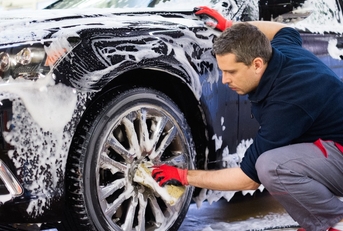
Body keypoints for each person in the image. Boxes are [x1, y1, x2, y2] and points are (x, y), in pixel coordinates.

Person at [151, 6, 343, 231]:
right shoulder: (280, 50)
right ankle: (320, 219)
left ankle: (334, 223)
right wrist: (232, 28)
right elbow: (284, 30)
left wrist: (184, 175)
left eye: (231, 72)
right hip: (334, 146)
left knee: (271, 166)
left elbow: (248, 178)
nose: (224, 80)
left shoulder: (287, 103)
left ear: (257, 64)